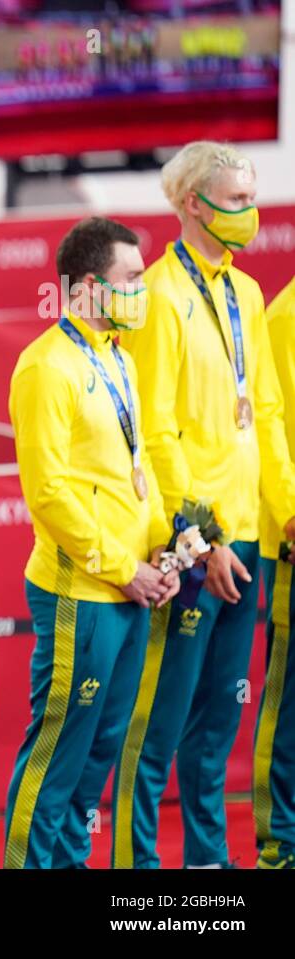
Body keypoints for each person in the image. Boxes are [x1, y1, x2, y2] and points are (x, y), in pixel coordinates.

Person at [115, 141, 295, 868]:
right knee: (160, 726)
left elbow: (272, 412)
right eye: (235, 200)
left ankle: (209, 869)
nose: (250, 213)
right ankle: (139, 875)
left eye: (253, 197)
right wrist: (205, 536)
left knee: (218, 727)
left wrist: (285, 509)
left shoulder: (246, 292)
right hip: (194, 547)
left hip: (251, 536)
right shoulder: (158, 295)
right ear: (193, 203)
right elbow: (154, 435)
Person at [4, 217, 178, 869]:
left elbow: (139, 469)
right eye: (132, 278)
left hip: (130, 587)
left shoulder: (119, 358)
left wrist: (158, 553)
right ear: (86, 287)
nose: (144, 289)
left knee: (99, 754)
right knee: (59, 751)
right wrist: (119, 566)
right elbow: (48, 491)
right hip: (83, 588)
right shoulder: (46, 366)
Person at [254, 272, 295, 869]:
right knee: (288, 699)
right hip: (292, 541)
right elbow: (272, 430)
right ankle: (281, 840)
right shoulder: (285, 317)